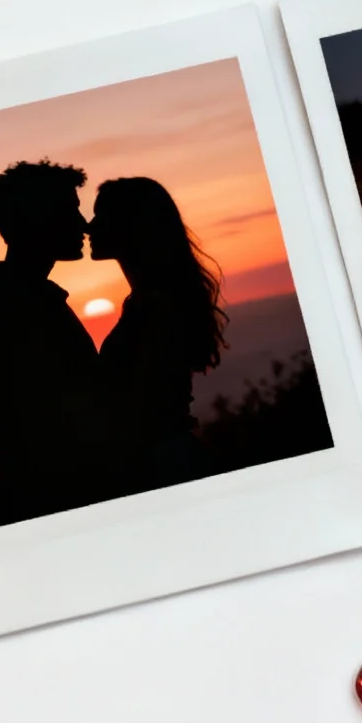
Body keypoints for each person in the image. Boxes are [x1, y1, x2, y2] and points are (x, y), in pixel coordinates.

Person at [0, 159, 112, 519]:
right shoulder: (16, 309)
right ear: (36, 219)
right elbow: (61, 425)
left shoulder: (22, 300)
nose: (83, 223)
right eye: (69, 211)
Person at [87, 176, 228, 494]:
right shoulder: (145, 301)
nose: (89, 227)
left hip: (158, 465)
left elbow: (140, 404)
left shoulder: (154, 307)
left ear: (130, 226)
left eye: (100, 217)